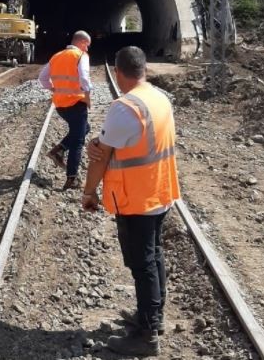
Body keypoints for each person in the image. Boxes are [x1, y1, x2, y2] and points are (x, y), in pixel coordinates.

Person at [82, 46, 180, 357]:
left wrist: (88, 192)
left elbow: (101, 157)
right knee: (154, 256)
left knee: (143, 265)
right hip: (160, 190)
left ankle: (147, 335)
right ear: (144, 69)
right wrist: (98, 143)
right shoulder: (159, 97)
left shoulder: (125, 107)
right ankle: (153, 317)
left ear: (119, 71)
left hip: (137, 197)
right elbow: (125, 142)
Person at [39, 30, 93, 190]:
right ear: (82, 42)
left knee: (85, 129)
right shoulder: (81, 56)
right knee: (78, 141)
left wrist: (54, 89)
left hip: (61, 106)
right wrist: (88, 96)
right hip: (77, 103)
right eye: (87, 45)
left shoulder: (57, 56)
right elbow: (84, 77)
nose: (88, 49)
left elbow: (42, 78)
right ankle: (72, 179)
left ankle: (59, 150)